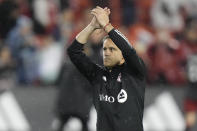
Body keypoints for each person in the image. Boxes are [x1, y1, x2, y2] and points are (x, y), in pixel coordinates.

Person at [67, 6, 146, 131]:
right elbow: (73, 52)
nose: (107, 53)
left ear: (123, 57)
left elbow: (129, 50)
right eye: (104, 49)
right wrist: (92, 26)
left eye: (112, 49)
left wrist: (107, 26)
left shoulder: (135, 73)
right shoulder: (97, 75)